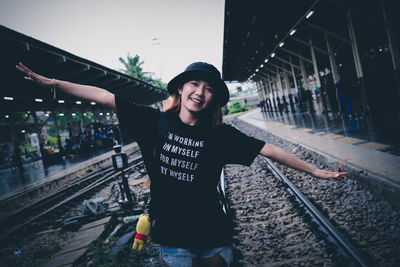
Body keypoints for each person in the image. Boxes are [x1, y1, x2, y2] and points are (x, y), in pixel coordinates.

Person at [16, 62, 346, 266]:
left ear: (214, 98)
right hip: (172, 239)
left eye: (208, 89)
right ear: (181, 88)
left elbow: (269, 149)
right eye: (194, 84)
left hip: (215, 235)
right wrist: (54, 83)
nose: (200, 92)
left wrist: (314, 171)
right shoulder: (152, 123)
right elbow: (103, 95)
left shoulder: (221, 135)